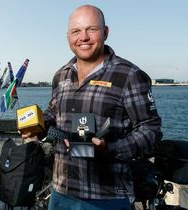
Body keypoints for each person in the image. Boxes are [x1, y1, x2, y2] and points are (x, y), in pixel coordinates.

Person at [22, 5, 162, 210]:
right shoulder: (61, 75)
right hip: (61, 191)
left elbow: (151, 130)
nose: (83, 37)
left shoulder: (129, 75)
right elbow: (54, 113)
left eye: (91, 29)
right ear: (68, 36)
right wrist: (37, 126)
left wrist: (109, 149)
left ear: (105, 32)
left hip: (107, 196)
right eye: (76, 31)